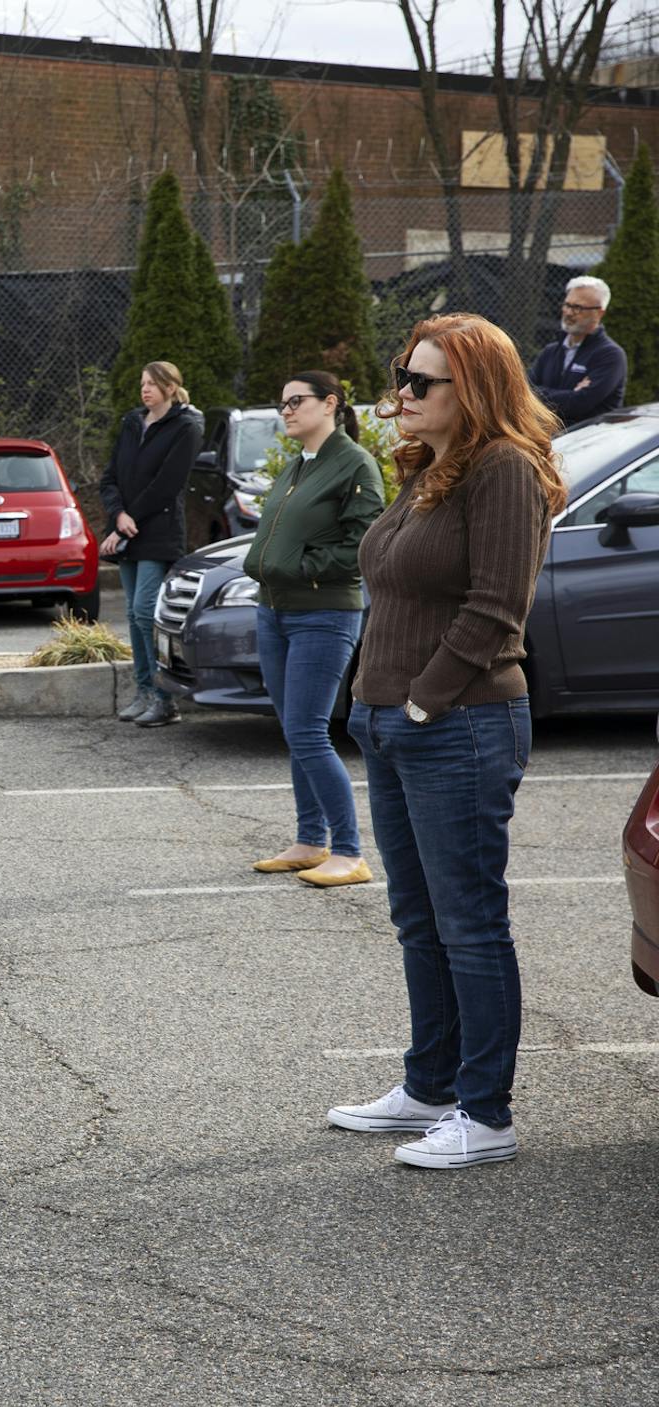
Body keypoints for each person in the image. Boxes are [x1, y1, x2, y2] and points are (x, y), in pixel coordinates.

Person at [327, 315, 564, 1170]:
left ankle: (486, 1113)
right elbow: (394, 593)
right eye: (402, 373)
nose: (402, 392)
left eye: (421, 381)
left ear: (474, 389)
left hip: (459, 724)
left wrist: (422, 703)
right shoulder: (428, 470)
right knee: (418, 918)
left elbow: (497, 608)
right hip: (391, 724)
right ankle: (429, 1086)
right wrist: (368, 701)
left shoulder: (503, 469)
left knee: (469, 923)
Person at [241, 372, 384, 888]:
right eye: (281, 403)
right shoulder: (298, 466)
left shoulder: (354, 464)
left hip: (324, 613)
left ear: (331, 403)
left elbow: (364, 542)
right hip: (273, 611)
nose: (286, 410)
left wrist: (300, 568)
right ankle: (309, 841)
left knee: (307, 730)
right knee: (296, 731)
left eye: (296, 401)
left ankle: (349, 851)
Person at [99, 361, 205, 728]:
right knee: (131, 613)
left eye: (153, 384)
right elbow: (110, 476)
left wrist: (129, 521)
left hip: (158, 533)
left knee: (147, 611)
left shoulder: (186, 427)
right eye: (142, 383)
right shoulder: (132, 422)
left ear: (171, 388)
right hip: (128, 531)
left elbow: (167, 485)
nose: (145, 389)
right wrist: (117, 516)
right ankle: (143, 691)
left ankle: (165, 699)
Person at [526, 275, 626, 427]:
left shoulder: (610, 355)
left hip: (590, 444)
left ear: (599, 313)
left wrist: (541, 394)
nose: (568, 312)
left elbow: (579, 404)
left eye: (577, 307)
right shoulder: (551, 351)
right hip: (550, 439)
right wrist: (570, 394)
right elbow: (524, 391)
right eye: (567, 305)